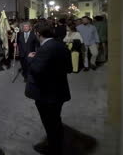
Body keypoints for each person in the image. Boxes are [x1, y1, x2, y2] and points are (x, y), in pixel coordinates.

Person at [25, 22, 72, 155]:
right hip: (59, 92)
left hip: (46, 94)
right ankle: (57, 145)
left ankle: (53, 148)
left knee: (50, 123)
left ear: (38, 34)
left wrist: (30, 59)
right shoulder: (60, 45)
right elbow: (69, 68)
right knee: (56, 121)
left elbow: (36, 70)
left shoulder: (45, 48)